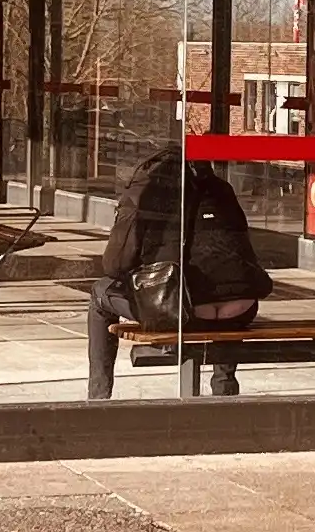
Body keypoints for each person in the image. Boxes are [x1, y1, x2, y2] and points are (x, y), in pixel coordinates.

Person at [96, 142, 266, 391]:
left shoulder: (145, 194)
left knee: (99, 293)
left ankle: (98, 396)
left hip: (183, 312)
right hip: (241, 310)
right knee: (223, 283)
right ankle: (224, 387)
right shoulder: (221, 190)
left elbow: (114, 264)